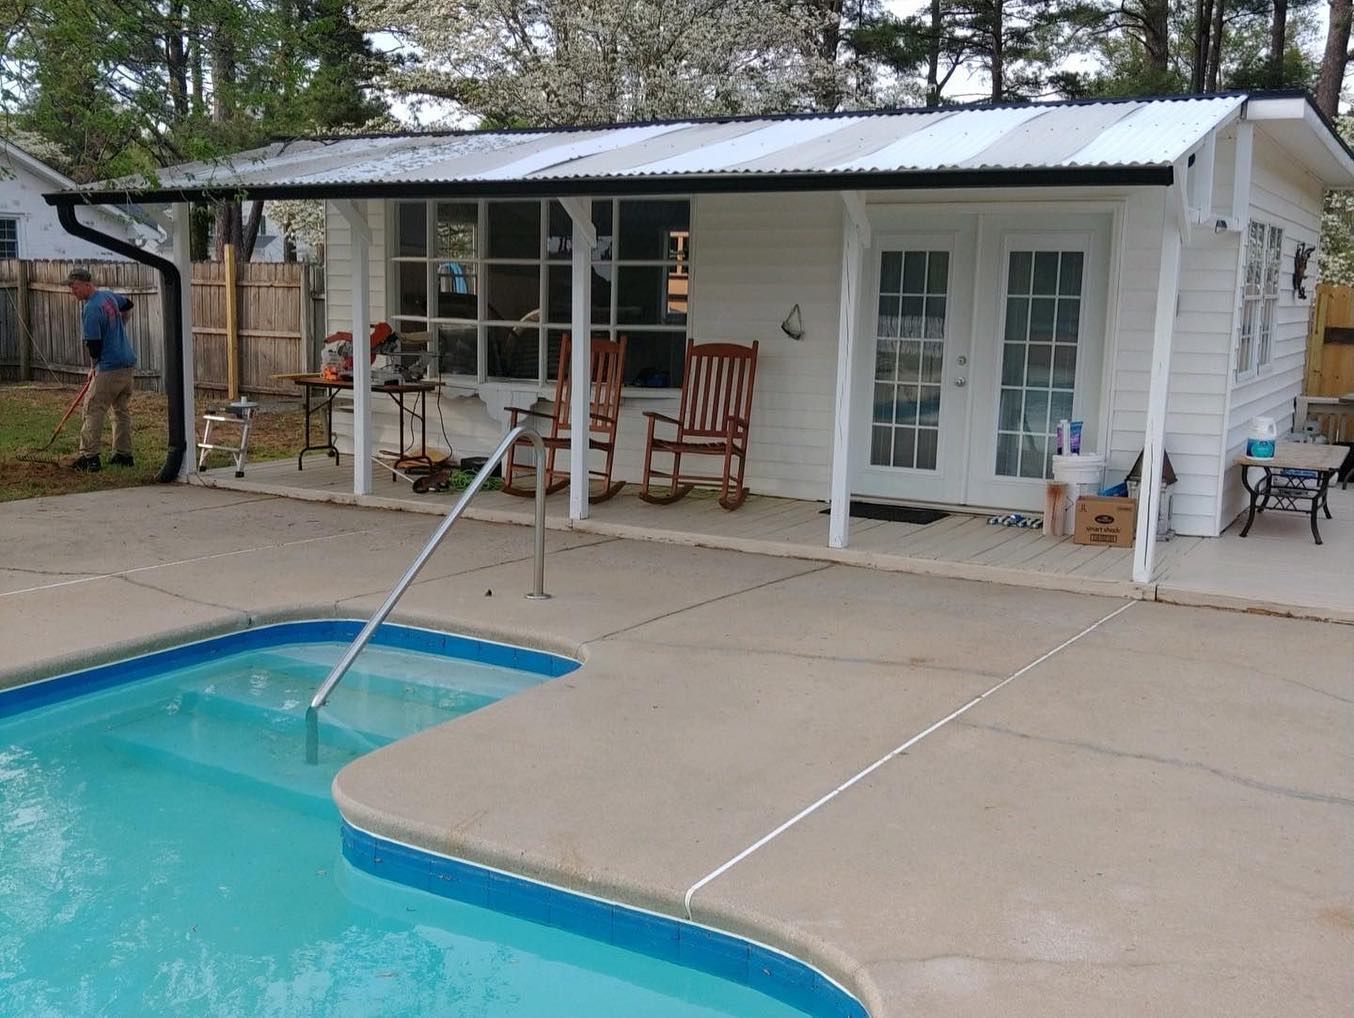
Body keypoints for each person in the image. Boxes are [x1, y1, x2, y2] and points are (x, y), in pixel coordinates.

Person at [66, 267, 137, 471]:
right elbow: (128, 303)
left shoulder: (91, 308)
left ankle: (90, 457)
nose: (73, 291)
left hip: (109, 367)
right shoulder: (107, 296)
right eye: (70, 287)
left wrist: (94, 368)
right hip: (127, 364)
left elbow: (94, 346)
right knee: (120, 410)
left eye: (75, 286)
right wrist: (121, 322)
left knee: (93, 408)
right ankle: (123, 455)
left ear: (87, 284)